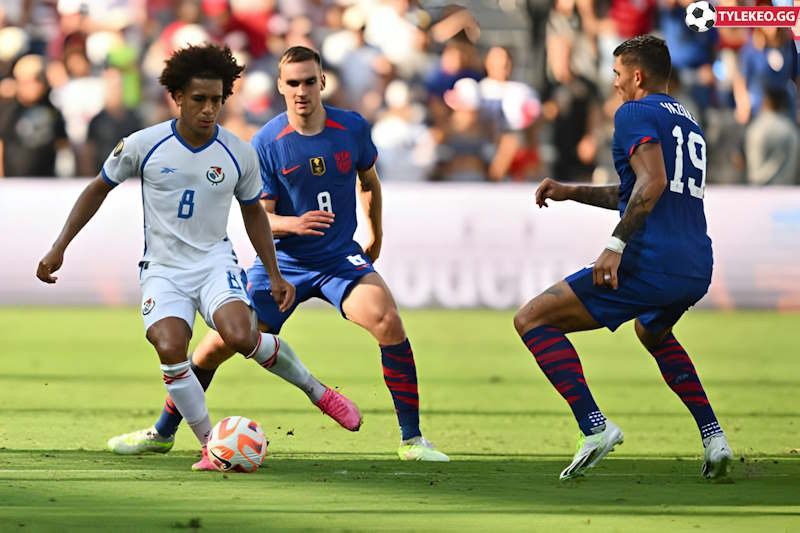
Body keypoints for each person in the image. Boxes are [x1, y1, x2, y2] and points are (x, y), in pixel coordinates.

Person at [108, 46, 449, 462]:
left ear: (322, 82)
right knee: (215, 348)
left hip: (339, 258)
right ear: (281, 87)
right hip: (284, 263)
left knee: (387, 320)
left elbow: (369, 182)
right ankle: (162, 432)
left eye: (309, 81)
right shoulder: (267, 142)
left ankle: (412, 439)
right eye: (293, 83)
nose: (302, 90)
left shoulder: (352, 128)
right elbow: (258, 216)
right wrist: (296, 223)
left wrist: (375, 233)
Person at [34, 43, 363, 471]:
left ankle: (317, 391)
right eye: (199, 100)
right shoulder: (143, 144)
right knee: (170, 346)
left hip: (213, 264)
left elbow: (253, 214)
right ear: (177, 98)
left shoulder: (237, 153)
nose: (209, 109)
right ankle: (212, 445)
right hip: (164, 270)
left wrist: (276, 273)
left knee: (241, 335)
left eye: (216, 100)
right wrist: (60, 246)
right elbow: (97, 188)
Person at [513, 35, 732, 480]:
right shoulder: (688, 121)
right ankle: (714, 437)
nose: (613, 83)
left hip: (653, 260)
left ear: (637, 75)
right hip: (695, 264)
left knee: (532, 319)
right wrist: (571, 191)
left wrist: (614, 247)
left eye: (616, 74)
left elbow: (651, 184)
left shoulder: (633, 112)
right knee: (652, 332)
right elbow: (639, 189)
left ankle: (594, 427)